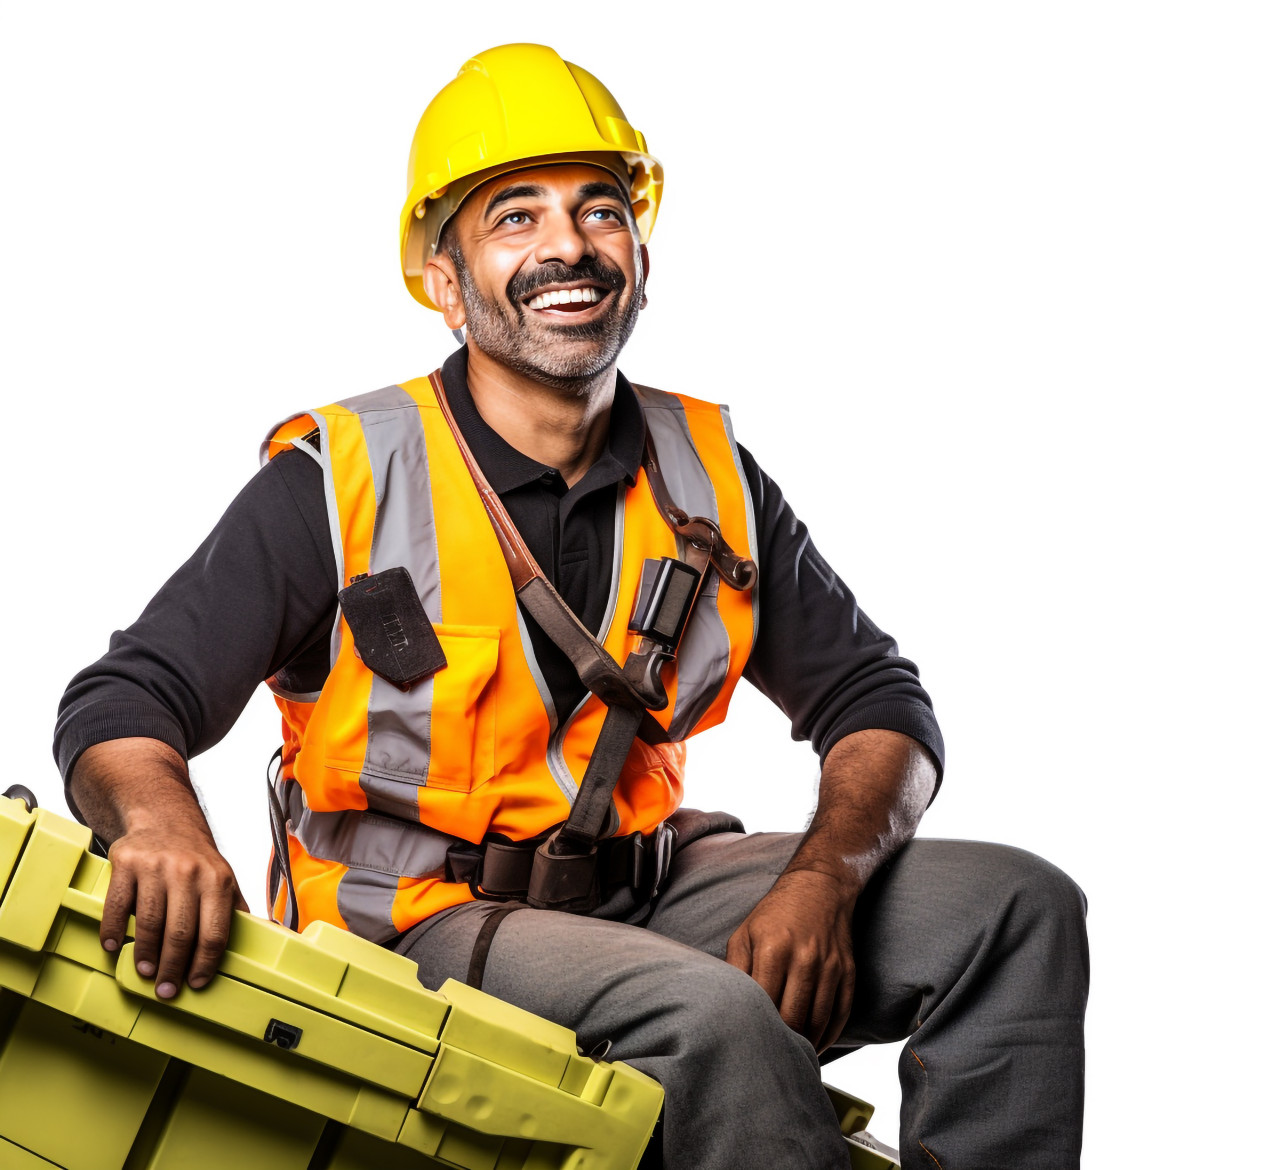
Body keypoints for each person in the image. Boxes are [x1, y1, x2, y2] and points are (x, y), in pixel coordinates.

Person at [54, 43, 1088, 1170]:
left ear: (639, 255)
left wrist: (820, 881)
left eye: (599, 211)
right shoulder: (341, 477)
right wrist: (157, 825)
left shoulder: (710, 476)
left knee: (1017, 911)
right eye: (514, 217)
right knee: (714, 1022)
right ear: (442, 281)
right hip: (416, 922)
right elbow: (125, 700)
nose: (567, 246)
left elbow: (878, 702)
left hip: (644, 890)